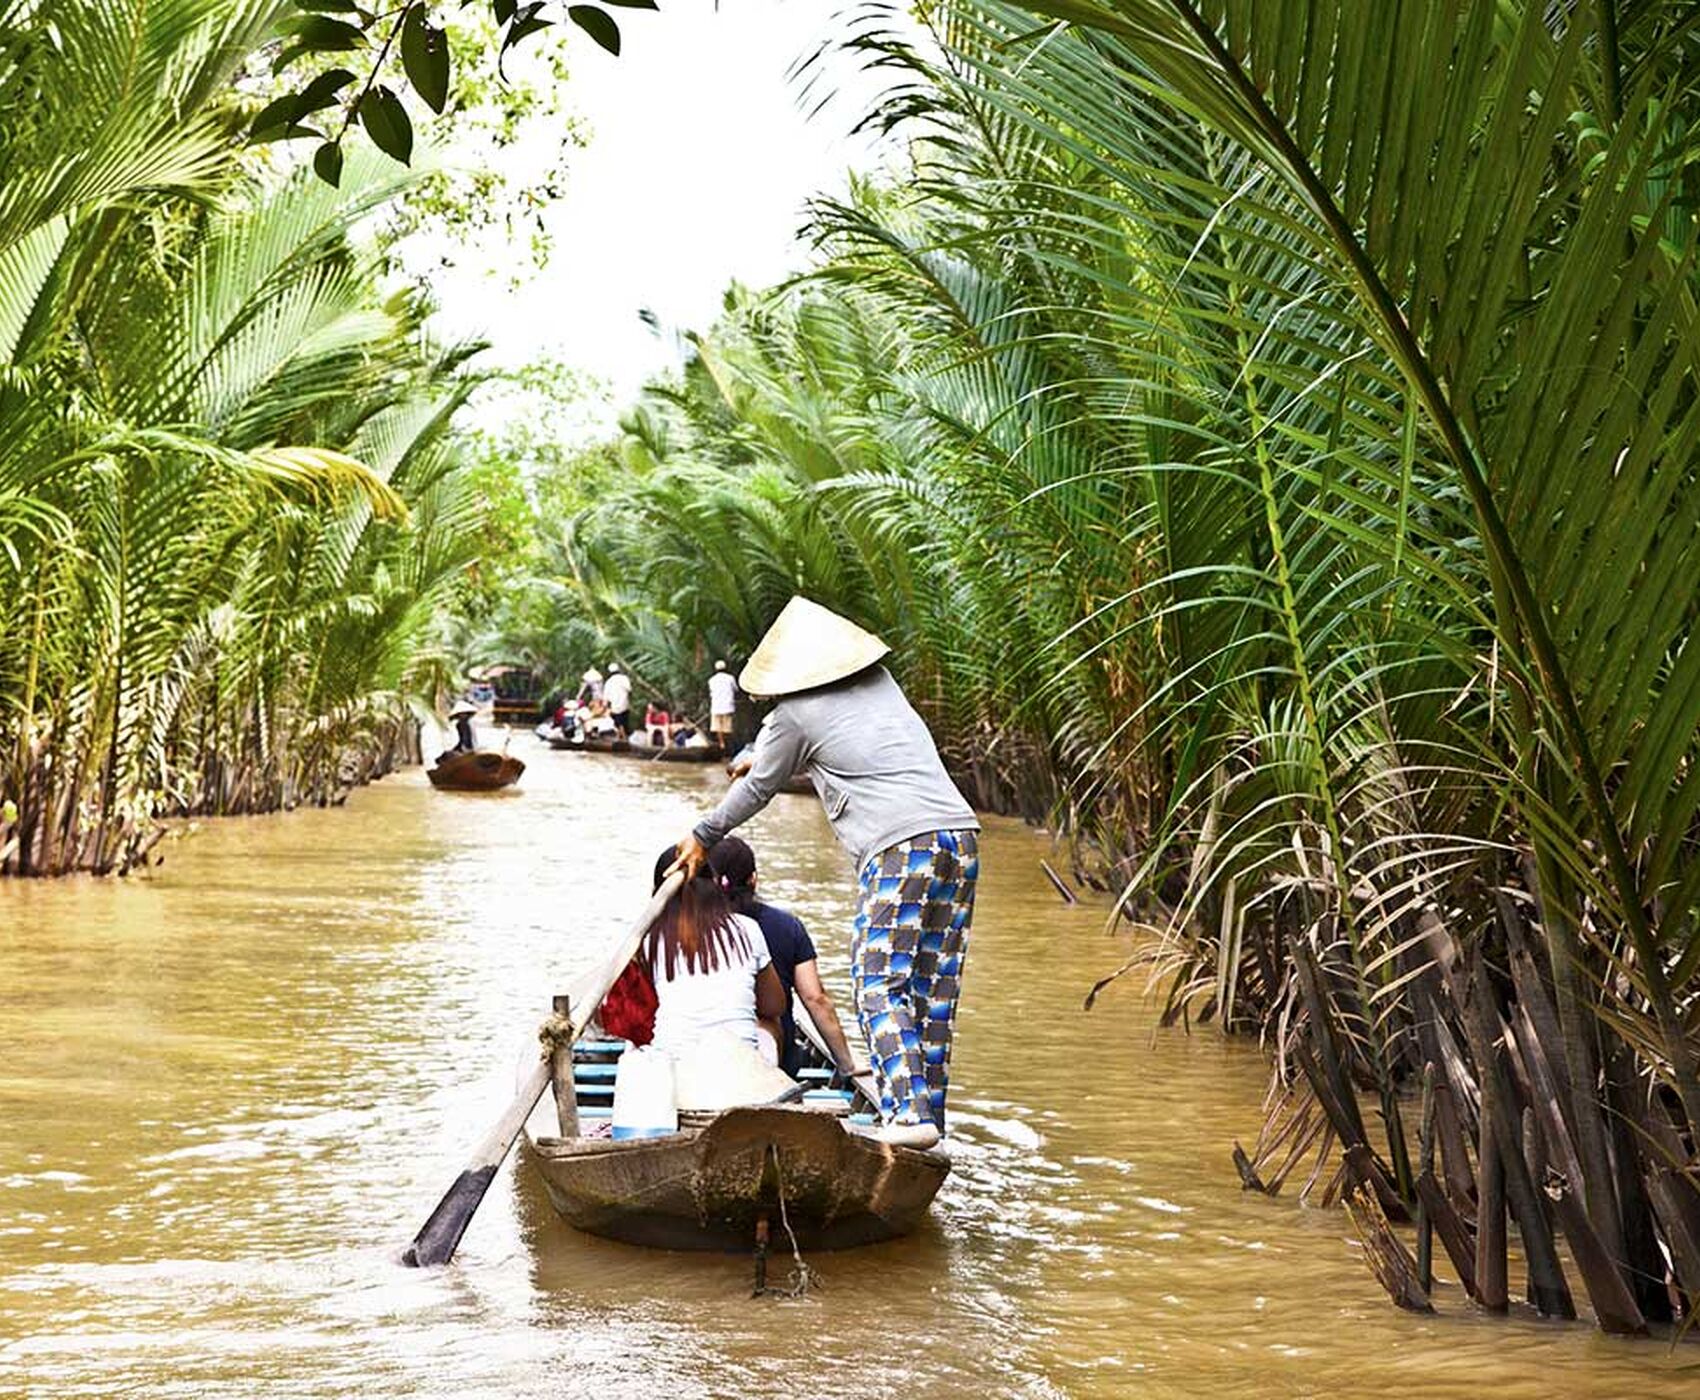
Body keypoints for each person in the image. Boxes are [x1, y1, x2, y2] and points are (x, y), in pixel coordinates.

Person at [673, 597, 980, 1149]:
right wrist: (759, 755)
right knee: (932, 988)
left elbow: (761, 786)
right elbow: (830, 743)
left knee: (877, 980)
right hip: (959, 836)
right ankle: (929, 1117)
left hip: (900, 845)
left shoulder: (794, 715)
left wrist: (703, 834)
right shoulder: (882, 683)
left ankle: (908, 1117)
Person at [643, 846, 790, 1097]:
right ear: (714, 885)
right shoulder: (749, 929)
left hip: (674, 1075)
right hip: (739, 1076)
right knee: (770, 1023)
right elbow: (775, 1006)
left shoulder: (648, 939)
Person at [708, 836, 859, 1078]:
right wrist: (846, 1064)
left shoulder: (691, 930)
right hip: (776, 1055)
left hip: (705, 1050)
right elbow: (814, 998)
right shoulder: (787, 926)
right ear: (753, 879)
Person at [708, 659, 737, 750]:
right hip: (728, 706)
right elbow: (736, 689)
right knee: (727, 728)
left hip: (716, 707)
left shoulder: (711, 680)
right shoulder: (730, 678)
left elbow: (711, 692)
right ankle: (728, 746)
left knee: (718, 727)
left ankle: (722, 744)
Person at [604, 663, 633, 738]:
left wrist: (606, 707)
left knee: (618, 724)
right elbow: (629, 690)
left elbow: (606, 697)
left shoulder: (608, 682)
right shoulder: (624, 678)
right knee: (625, 723)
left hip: (615, 706)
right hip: (625, 705)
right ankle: (625, 738)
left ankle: (622, 738)